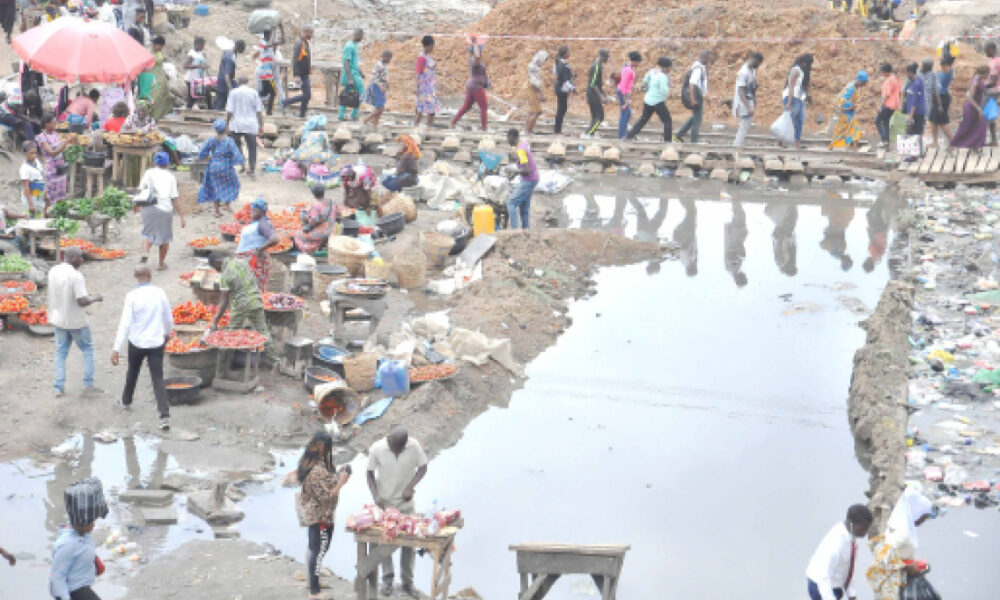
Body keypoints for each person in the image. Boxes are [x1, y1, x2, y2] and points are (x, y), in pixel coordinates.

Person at [366, 426, 428, 598]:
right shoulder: (377, 448)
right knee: (386, 541)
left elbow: (423, 467)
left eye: (401, 448)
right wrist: (376, 496)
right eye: (395, 448)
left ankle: (408, 583)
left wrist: (410, 486)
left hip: (406, 505)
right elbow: (369, 473)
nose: (397, 451)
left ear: (405, 444)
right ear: (390, 440)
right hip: (385, 505)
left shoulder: (414, 446)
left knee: (409, 543)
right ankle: (387, 581)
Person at [291, 431, 351, 600]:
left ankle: (311, 581)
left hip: (314, 513)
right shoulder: (315, 471)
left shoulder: (309, 463)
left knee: (314, 548)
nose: (328, 452)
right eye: (327, 448)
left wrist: (339, 473)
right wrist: (342, 482)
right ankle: (315, 592)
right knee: (318, 550)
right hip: (320, 516)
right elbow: (326, 496)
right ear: (320, 446)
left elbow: (325, 482)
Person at [111, 265, 172, 431]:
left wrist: (116, 348)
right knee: (157, 377)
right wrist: (167, 333)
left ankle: (126, 401)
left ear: (135, 276)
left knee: (132, 371)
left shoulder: (132, 296)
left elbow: (125, 323)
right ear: (150, 275)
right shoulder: (160, 293)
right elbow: (168, 316)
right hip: (156, 341)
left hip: (137, 341)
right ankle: (164, 415)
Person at [49, 248, 104, 397]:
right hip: (76, 321)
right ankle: (88, 383)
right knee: (87, 349)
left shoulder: (54, 270)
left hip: (59, 319)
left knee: (61, 352)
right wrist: (95, 297)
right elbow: (81, 301)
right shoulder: (76, 276)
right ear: (72, 257)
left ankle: (58, 387)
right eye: (80, 257)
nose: (82, 260)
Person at [867, 487, 936, 600]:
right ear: (916, 510)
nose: (922, 521)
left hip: (889, 585)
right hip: (895, 587)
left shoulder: (895, 523)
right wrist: (913, 568)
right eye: (924, 516)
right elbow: (887, 558)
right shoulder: (903, 533)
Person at [805, 504, 872, 600]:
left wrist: (851, 594)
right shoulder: (836, 544)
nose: (866, 532)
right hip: (820, 586)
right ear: (853, 524)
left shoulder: (850, 535)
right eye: (864, 528)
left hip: (837, 584)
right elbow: (823, 577)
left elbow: (847, 568)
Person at [207, 251, 270, 353]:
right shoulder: (242, 262)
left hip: (241, 305)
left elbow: (224, 301)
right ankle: (272, 359)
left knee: (233, 334)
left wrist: (215, 322)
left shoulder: (225, 275)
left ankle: (229, 360)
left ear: (217, 262)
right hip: (257, 300)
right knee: (263, 332)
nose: (216, 270)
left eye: (215, 267)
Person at [137, 152, 183, 269]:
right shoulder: (171, 177)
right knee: (164, 238)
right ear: (167, 163)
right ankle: (161, 264)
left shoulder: (149, 173)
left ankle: (146, 253)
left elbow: (141, 191)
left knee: (147, 234)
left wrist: (136, 205)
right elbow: (175, 198)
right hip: (164, 209)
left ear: (155, 162)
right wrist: (181, 216)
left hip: (148, 207)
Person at [50, 512, 103, 600]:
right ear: (83, 524)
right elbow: (57, 576)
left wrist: (93, 565)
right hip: (73, 590)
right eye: (92, 522)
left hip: (78, 586)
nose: (94, 525)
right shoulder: (68, 544)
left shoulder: (81, 537)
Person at [198, 119, 244, 217]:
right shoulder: (229, 141)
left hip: (213, 166)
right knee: (233, 184)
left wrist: (209, 158)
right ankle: (227, 204)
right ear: (225, 129)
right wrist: (242, 164)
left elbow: (202, 152)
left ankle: (216, 212)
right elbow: (237, 154)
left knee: (215, 187)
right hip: (225, 165)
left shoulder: (211, 140)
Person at [625, 57, 672, 142]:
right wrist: (667, 91)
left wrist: (650, 87)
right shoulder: (663, 77)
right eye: (669, 68)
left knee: (643, 120)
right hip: (658, 102)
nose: (669, 70)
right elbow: (663, 91)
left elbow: (645, 80)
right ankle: (667, 142)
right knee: (667, 121)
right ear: (665, 68)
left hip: (647, 100)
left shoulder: (653, 71)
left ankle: (629, 136)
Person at [237, 197, 280, 289]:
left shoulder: (263, 224)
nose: (252, 213)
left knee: (252, 287)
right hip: (249, 258)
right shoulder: (257, 222)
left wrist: (260, 249)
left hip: (254, 260)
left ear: (263, 212)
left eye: (255, 211)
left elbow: (275, 239)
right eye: (251, 210)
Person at [226, 76, 265, 178]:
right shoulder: (254, 92)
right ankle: (252, 169)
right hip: (251, 124)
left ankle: (242, 162)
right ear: (248, 82)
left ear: (238, 82)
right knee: (252, 148)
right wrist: (261, 126)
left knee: (236, 144)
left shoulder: (233, 92)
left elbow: (229, 111)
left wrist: (226, 123)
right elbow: (259, 111)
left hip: (237, 123)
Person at [36, 115, 71, 212]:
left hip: (60, 167)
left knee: (61, 194)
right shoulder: (42, 137)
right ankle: (47, 218)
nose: (56, 124)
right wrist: (65, 143)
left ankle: (59, 215)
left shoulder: (55, 134)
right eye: (54, 123)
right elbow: (52, 153)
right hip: (51, 169)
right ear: (47, 124)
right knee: (49, 196)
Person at [450, 41, 488, 131]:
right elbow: (477, 56)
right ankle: (484, 129)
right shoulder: (475, 61)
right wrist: (475, 44)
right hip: (476, 87)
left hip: (471, 86)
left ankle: (453, 122)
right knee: (484, 107)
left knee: (466, 106)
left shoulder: (472, 60)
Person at [950, 64, 990, 150]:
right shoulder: (976, 82)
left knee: (979, 127)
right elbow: (970, 98)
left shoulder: (979, 80)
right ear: (985, 73)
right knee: (965, 128)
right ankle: (951, 147)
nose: (989, 75)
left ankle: (975, 148)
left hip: (975, 108)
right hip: (971, 108)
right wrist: (979, 109)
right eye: (988, 73)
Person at [505, 128, 538, 230]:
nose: (507, 141)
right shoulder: (523, 144)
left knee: (511, 203)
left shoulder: (520, 150)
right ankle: (526, 230)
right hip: (533, 178)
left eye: (508, 138)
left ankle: (515, 231)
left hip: (529, 179)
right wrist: (515, 175)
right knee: (524, 206)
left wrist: (515, 172)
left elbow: (526, 169)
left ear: (512, 137)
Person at [675, 50, 710, 143]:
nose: (709, 61)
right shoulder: (698, 69)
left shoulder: (699, 67)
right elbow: (692, 84)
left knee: (695, 117)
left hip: (697, 95)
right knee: (697, 121)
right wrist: (692, 99)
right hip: (696, 97)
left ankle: (678, 135)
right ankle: (694, 143)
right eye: (708, 59)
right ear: (704, 58)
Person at [829, 70, 869, 151]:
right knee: (844, 131)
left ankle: (852, 148)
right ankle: (836, 146)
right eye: (865, 82)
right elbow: (841, 100)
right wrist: (849, 107)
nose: (865, 84)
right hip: (844, 114)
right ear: (862, 81)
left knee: (853, 131)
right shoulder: (851, 88)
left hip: (849, 114)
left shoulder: (854, 86)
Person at [281, 25, 314, 118]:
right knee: (307, 96)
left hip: (305, 74)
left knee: (306, 96)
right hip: (301, 74)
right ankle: (285, 102)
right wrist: (296, 75)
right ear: (306, 33)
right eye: (311, 33)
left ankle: (302, 115)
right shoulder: (299, 44)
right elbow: (295, 60)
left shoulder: (305, 43)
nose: (312, 35)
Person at [732, 52, 763, 147]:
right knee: (744, 126)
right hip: (743, 102)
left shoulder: (751, 70)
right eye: (759, 63)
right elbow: (741, 91)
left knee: (745, 126)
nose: (759, 66)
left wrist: (754, 100)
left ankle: (737, 146)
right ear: (755, 60)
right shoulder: (744, 72)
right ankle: (736, 147)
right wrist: (748, 107)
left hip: (748, 100)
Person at [783, 54, 813, 149]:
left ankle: (796, 141)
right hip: (792, 97)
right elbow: (791, 86)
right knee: (790, 120)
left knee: (800, 120)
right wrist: (789, 102)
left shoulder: (801, 71)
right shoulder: (795, 70)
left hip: (799, 98)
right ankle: (781, 140)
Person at [294, 185, 335, 255]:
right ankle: (322, 243)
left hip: (322, 233)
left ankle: (310, 249)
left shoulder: (316, 206)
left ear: (313, 194)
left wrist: (306, 218)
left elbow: (313, 223)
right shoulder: (332, 202)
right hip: (332, 229)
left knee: (298, 234)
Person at [414, 35, 442, 127]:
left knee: (430, 108)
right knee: (421, 108)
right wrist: (416, 87)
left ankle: (429, 126)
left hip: (429, 87)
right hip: (424, 87)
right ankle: (416, 126)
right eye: (432, 46)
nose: (433, 48)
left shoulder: (426, 57)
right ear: (429, 46)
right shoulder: (421, 57)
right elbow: (418, 73)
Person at [584, 49, 611, 138]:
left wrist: (604, 95)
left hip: (592, 94)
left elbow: (597, 85)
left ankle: (587, 133)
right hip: (593, 95)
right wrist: (601, 97)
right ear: (602, 57)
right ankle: (589, 133)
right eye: (607, 58)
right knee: (600, 117)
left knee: (595, 117)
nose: (607, 60)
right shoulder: (596, 67)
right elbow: (593, 84)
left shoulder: (597, 66)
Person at [339, 28, 365, 121]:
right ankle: (353, 114)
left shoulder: (353, 45)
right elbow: (346, 62)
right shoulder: (349, 46)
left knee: (347, 94)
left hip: (354, 73)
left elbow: (353, 62)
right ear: (357, 35)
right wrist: (350, 78)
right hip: (351, 75)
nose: (362, 38)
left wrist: (360, 72)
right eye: (361, 36)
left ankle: (342, 115)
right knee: (362, 93)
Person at [362, 50, 392, 128]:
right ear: (385, 57)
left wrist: (386, 85)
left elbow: (383, 77)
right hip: (377, 87)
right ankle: (365, 120)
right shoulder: (380, 65)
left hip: (380, 86)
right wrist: (381, 86)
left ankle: (375, 124)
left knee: (378, 107)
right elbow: (375, 78)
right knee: (381, 108)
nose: (389, 61)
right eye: (389, 59)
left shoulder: (383, 65)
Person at [214, 38, 246, 112]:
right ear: (239, 47)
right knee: (222, 100)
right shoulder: (230, 58)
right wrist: (230, 88)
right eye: (243, 48)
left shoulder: (228, 52)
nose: (243, 51)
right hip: (225, 82)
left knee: (221, 100)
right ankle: (214, 118)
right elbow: (227, 75)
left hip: (222, 79)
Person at [875, 63, 902, 148]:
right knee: (886, 121)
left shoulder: (889, 81)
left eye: (882, 72)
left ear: (885, 72)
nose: (881, 74)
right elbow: (900, 92)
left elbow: (886, 95)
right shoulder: (896, 79)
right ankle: (886, 141)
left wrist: (880, 105)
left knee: (877, 121)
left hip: (888, 104)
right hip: (894, 105)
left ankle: (884, 140)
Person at [253, 29, 279, 116]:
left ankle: (254, 104)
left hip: (267, 72)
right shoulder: (263, 42)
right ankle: (268, 112)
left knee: (264, 92)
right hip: (265, 73)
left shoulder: (270, 45)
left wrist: (280, 28)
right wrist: (274, 32)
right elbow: (268, 45)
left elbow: (282, 41)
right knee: (273, 92)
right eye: (271, 35)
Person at [929, 56, 954, 146]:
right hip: (937, 97)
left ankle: (953, 142)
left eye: (945, 65)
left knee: (942, 121)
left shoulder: (949, 72)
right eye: (942, 65)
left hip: (942, 98)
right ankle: (935, 142)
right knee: (933, 120)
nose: (943, 66)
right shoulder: (942, 72)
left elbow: (948, 69)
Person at [523, 50, 549, 134]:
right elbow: (535, 83)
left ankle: (527, 129)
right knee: (535, 111)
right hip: (532, 89)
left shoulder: (531, 65)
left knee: (532, 111)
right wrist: (541, 94)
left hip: (528, 88)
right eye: (545, 60)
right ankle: (528, 130)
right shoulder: (535, 68)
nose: (544, 62)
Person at [616, 51, 641, 139]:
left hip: (625, 92)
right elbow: (623, 84)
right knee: (625, 114)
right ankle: (622, 135)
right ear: (634, 61)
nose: (638, 64)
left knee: (628, 113)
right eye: (638, 62)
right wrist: (625, 98)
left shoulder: (628, 67)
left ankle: (623, 131)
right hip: (623, 92)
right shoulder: (628, 70)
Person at [903, 63, 926, 153]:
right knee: (918, 132)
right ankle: (919, 151)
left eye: (907, 73)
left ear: (910, 73)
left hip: (916, 112)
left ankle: (913, 155)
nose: (907, 75)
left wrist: (911, 116)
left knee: (913, 133)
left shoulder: (916, 84)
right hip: (918, 111)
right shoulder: (917, 81)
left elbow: (914, 102)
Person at [20, 141, 45, 218]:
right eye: (31, 153)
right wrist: (30, 204)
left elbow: (41, 177)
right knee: (31, 218)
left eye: (35, 153)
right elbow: (26, 186)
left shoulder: (37, 162)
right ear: (25, 154)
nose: (34, 155)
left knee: (39, 215)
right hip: (31, 196)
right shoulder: (24, 168)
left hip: (39, 194)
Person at [553, 45, 575, 134]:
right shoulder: (564, 65)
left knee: (561, 108)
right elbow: (566, 80)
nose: (570, 54)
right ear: (565, 54)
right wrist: (573, 88)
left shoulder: (558, 62)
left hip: (559, 87)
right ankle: (558, 130)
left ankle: (558, 128)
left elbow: (556, 73)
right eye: (569, 52)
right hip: (562, 88)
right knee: (562, 109)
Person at [183, 37, 208, 109]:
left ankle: (189, 112)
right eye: (202, 45)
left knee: (195, 97)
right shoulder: (192, 54)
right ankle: (187, 113)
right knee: (191, 97)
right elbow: (185, 66)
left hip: (197, 79)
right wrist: (198, 66)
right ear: (198, 44)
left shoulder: (200, 54)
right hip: (191, 79)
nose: (203, 47)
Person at [986, 41, 1000, 146]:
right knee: (991, 115)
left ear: (991, 50)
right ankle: (994, 140)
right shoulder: (994, 60)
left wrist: (981, 86)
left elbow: (993, 81)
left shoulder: (995, 62)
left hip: (995, 90)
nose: (985, 51)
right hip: (995, 89)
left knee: (990, 114)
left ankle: (994, 141)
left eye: (986, 49)